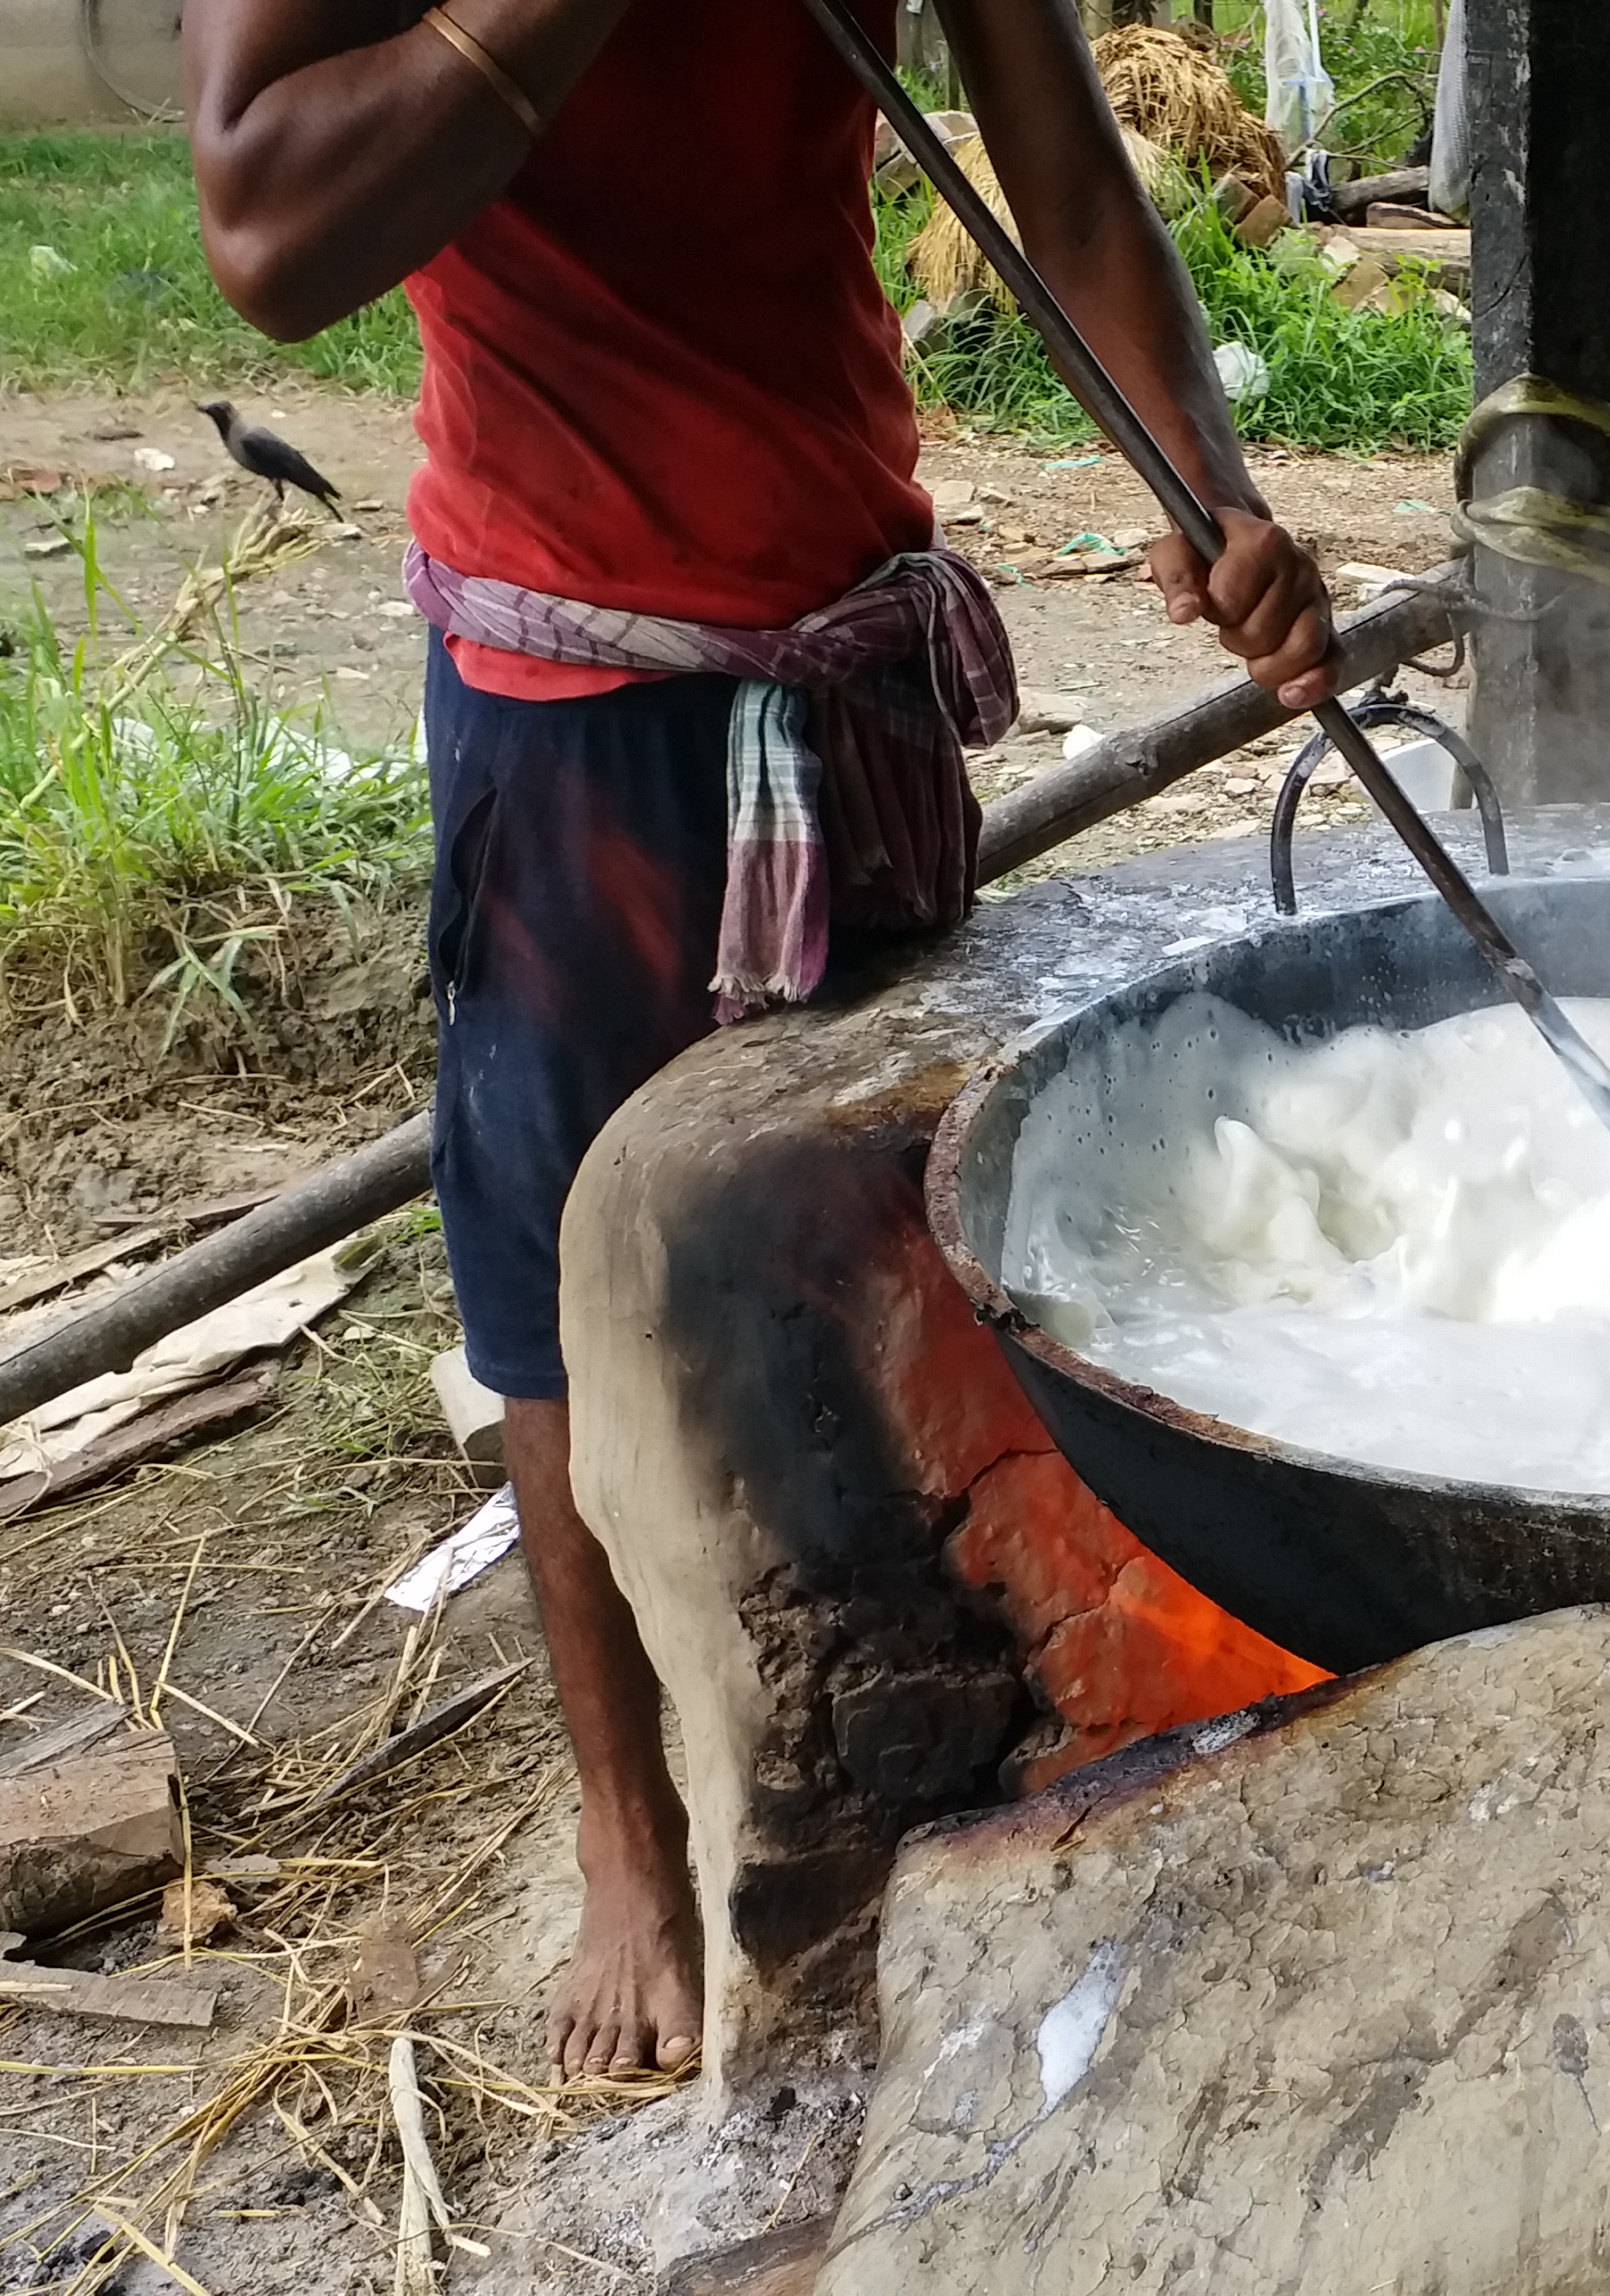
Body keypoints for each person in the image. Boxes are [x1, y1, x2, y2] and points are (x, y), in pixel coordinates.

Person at [185, 0, 1331, 2076]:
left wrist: (1203, 480)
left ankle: (907, 1716)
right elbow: (268, 233)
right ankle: (633, 1846)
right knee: (563, 1276)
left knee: (866, 1222)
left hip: (842, 630)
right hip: (575, 682)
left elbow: (1059, 176)